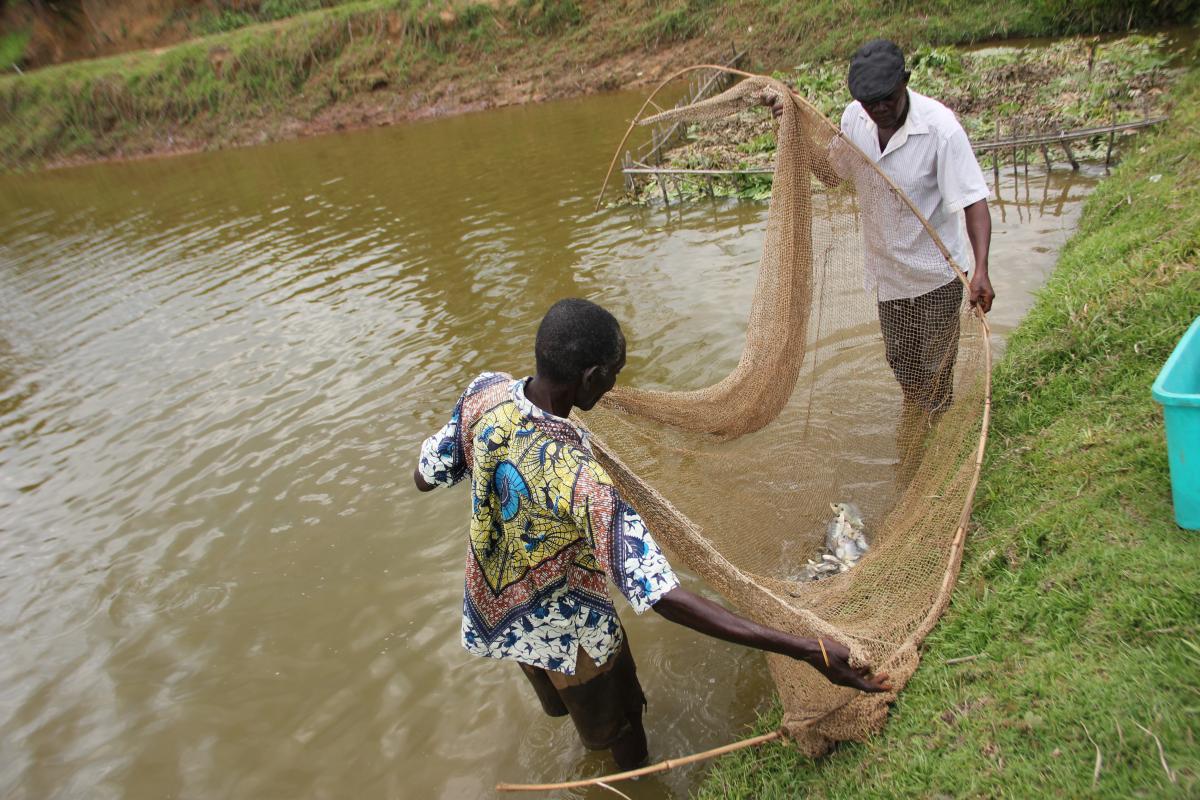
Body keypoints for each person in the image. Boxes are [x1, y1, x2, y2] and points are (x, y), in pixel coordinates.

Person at [413, 298, 891, 770]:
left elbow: (425, 473)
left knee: (563, 705)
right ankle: (636, 777)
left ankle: (583, 733)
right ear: (591, 378)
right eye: (614, 372)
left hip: (499, 611)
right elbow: (663, 596)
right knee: (620, 723)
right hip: (572, 632)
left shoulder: (485, 392)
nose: (616, 383)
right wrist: (806, 647)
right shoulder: (581, 481)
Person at [766, 38, 993, 413]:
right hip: (888, 275)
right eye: (871, 103)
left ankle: (931, 429)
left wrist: (981, 270)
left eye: (888, 98)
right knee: (901, 363)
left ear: (904, 82)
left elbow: (973, 200)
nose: (880, 109)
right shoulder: (855, 118)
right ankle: (916, 415)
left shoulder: (940, 130)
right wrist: (793, 127)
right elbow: (831, 175)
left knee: (937, 370)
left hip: (938, 276)